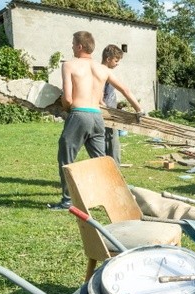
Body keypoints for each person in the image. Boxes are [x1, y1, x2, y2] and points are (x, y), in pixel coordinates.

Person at [49, 31, 143, 210]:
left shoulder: (69, 65)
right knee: (100, 162)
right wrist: (139, 110)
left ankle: (68, 200)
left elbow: (68, 98)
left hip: (79, 114)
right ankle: (110, 198)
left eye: (72, 43)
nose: (71, 47)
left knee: (66, 158)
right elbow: (125, 90)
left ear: (79, 46)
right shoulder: (103, 70)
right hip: (97, 118)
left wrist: (69, 110)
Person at [101, 44, 125, 165]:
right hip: (106, 114)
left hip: (110, 113)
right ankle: (115, 175)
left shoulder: (102, 71)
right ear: (108, 59)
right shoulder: (103, 73)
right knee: (112, 145)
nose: (117, 63)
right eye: (116, 60)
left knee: (110, 144)